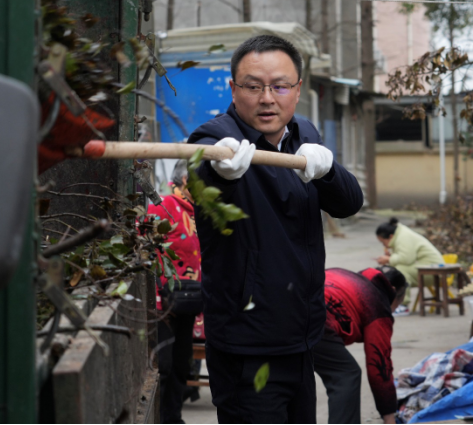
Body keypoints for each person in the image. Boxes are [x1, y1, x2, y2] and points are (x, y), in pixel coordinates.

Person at [187, 35, 364, 424]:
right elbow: (203, 181)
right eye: (253, 86)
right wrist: (220, 174)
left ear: (297, 90)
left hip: (303, 337)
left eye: (280, 86)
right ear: (233, 89)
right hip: (247, 346)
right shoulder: (215, 141)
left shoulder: (304, 135)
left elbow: (349, 204)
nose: (267, 98)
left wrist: (329, 171)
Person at [313, 266, 408, 425]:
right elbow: (379, 365)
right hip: (317, 319)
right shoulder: (376, 303)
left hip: (284, 307)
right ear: (392, 291)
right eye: (397, 304)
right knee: (346, 375)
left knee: (296, 375)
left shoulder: (343, 274)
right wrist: (389, 416)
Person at [147, 160, 202, 424]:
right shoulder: (163, 206)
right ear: (185, 181)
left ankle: (173, 418)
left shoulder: (201, 212)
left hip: (190, 300)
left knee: (182, 364)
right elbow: (145, 243)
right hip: (164, 302)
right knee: (165, 366)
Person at [376, 217, 443, 316]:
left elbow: (406, 259)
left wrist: (389, 259)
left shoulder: (403, 236)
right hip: (426, 268)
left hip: (433, 270)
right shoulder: (400, 234)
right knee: (396, 270)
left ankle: (403, 305)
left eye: (383, 242)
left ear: (390, 236)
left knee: (400, 271)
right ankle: (396, 303)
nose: (384, 245)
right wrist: (391, 257)